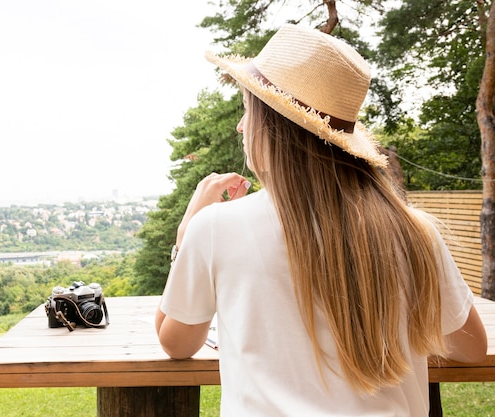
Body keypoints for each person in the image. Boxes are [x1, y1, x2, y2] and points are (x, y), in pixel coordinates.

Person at [154, 24, 487, 416]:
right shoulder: (413, 231)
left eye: (247, 111)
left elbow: (176, 343)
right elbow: (471, 347)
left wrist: (185, 232)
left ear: (270, 126)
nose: (241, 126)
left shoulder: (215, 228)